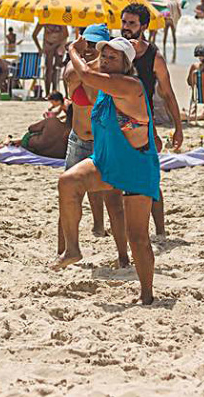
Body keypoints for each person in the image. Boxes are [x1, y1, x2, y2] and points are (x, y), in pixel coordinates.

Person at [54, 36, 160, 305]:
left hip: (135, 164)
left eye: (114, 58)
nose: (106, 61)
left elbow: (85, 73)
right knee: (67, 182)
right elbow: (77, 74)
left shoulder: (127, 84)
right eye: (105, 56)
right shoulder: (104, 83)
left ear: (127, 64)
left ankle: (147, 294)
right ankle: (72, 249)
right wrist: (90, 55)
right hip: (107, 159)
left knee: (138, 237)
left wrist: (71, 50)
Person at [60, 23, 129, 264]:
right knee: (68, 195)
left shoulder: (109, 74)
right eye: (86, 44)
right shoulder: (77, 69)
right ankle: (65, 250)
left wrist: (79, 55)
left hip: (105, 144)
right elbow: (68, 77)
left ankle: (123, 256)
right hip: (79, 141)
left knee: (114, 202)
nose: (89, 49)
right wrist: (76, 52)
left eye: (94, 45)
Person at [120, 3, 183, 236]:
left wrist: (178, 127)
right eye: (124, 22)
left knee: (150, 177)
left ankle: (160, 230)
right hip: (114, 121)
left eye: (132, 24)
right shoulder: (114, 50)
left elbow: (167, 93)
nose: (126, 28)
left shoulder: (153, 56)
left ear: (144, 27)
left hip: (142, 123)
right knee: (115, 177)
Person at [33, 23, 67, 95]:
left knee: (56, 69)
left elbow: (66, 34)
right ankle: (48, 93)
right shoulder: (44, 18)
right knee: (48, 69)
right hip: (48, 45)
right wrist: (39, 48)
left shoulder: (60, 18)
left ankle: (54, 91)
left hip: (58, 45)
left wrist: (60, 45)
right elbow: (34, 35)